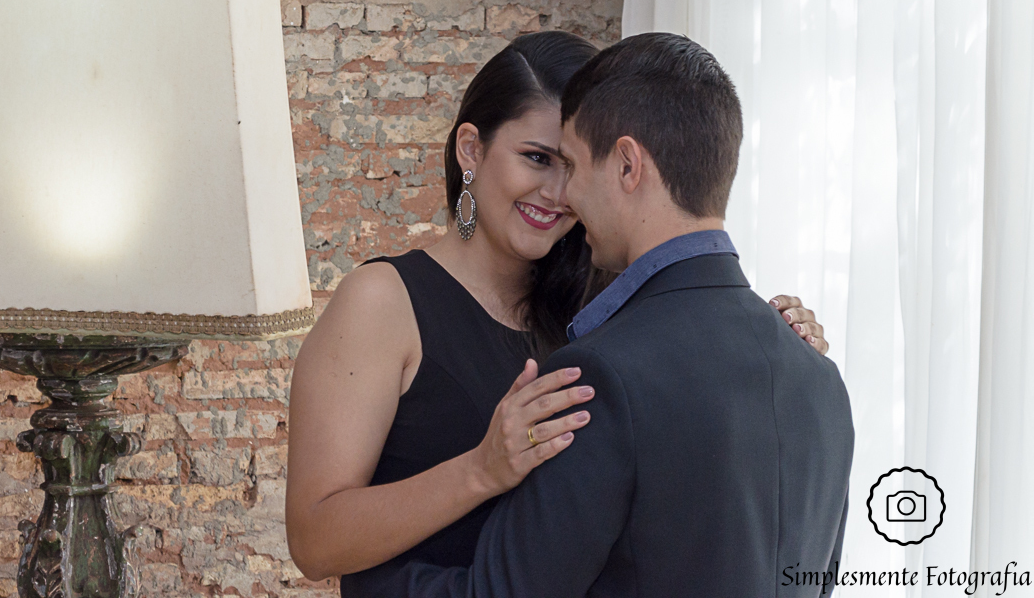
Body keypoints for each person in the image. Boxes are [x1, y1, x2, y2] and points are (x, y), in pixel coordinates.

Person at [285, 32, 831, 595]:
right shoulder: (382, 301)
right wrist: (479, 470)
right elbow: (313, 542)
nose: (558, 192)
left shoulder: (605, 305)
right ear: (470, 149)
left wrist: (776, 352)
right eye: (537, 159)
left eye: (572, 165)